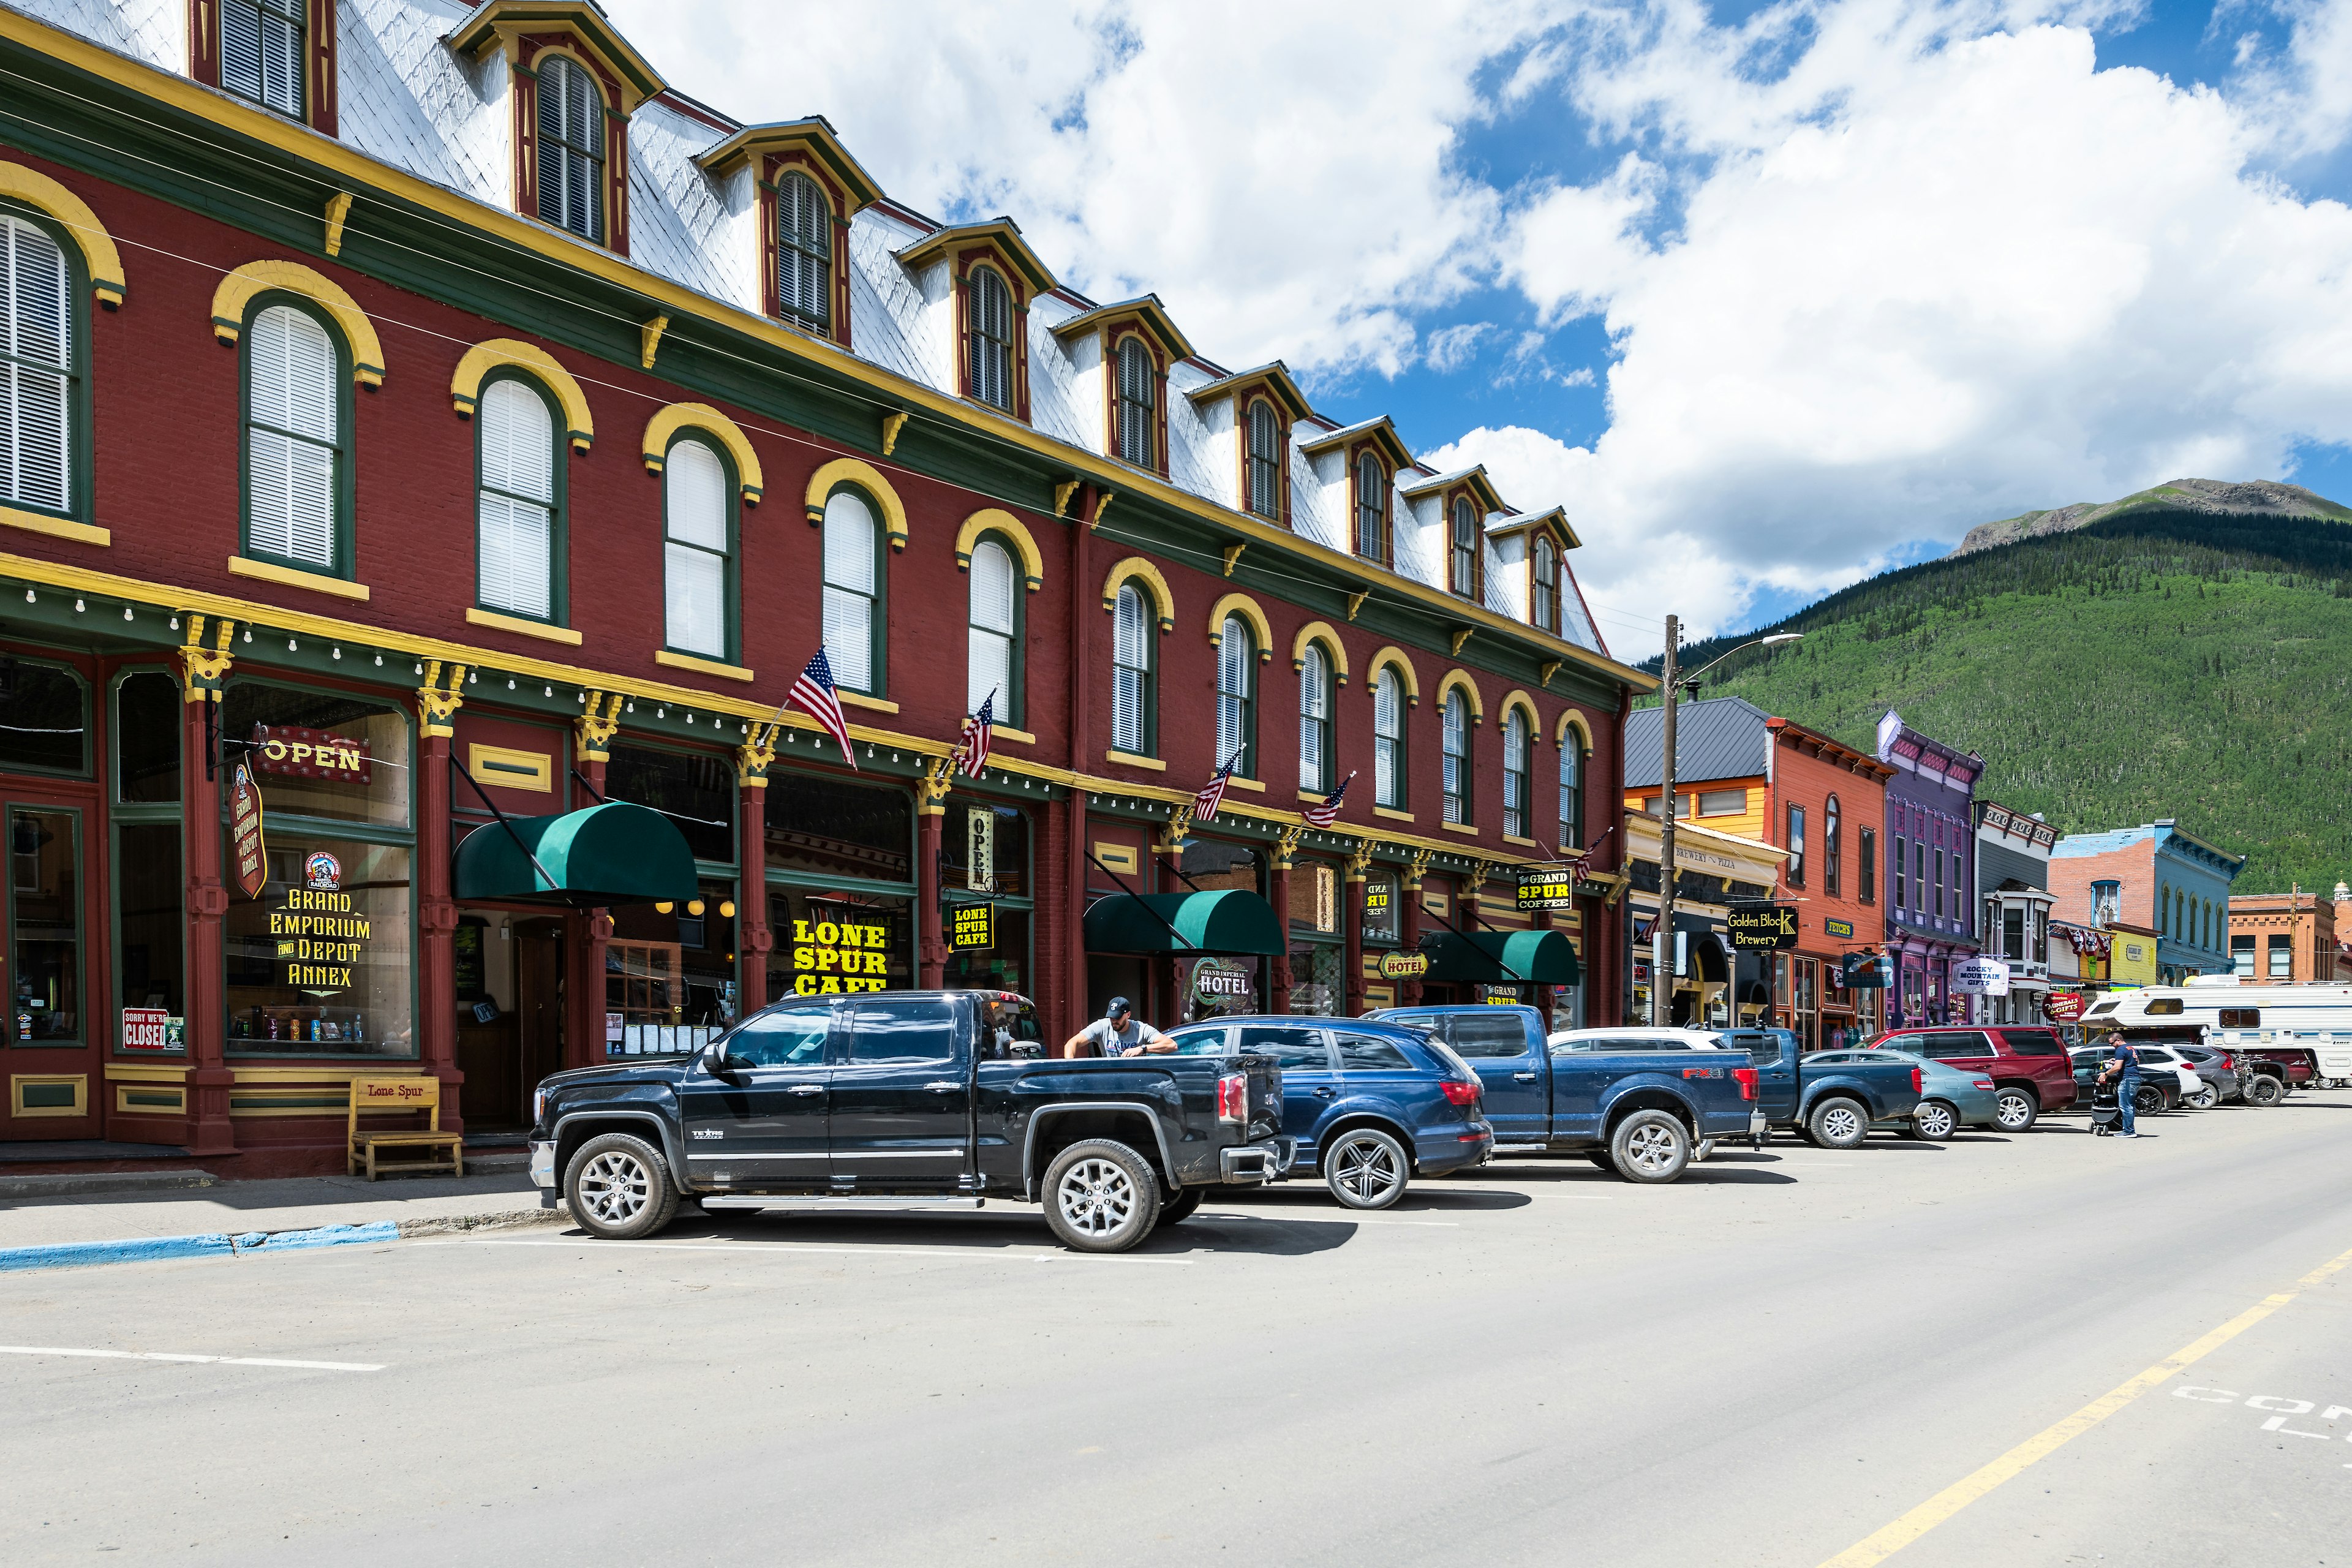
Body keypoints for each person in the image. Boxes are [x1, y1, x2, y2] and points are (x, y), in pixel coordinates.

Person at [1061, 997, 1175, 1058]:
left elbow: (1171, 1045)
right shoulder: (1102, 1026)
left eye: (1118, 1017)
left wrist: (1142, 1049)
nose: (1114, 1021)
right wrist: (1070, 1068)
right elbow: (1072, 1043)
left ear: (1128, 1015)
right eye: (1111, 1017)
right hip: (1110, 1078)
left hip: (1137, 1079)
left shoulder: (1141, 1029)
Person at [2098, 1030, 2141, 1138]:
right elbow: (2137, 1062)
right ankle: (2128, 1130)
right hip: (2135, 1078)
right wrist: (2116, 1061)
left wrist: (2106, 1074)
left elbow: (2118, 1068)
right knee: (2130, 1106)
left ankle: (2129, 1131)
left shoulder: (2120, 1049)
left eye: (2112, 1043)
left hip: (2127, 1079)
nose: (2112, 1046)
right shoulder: (2130, 1048)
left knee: (2126, 1106)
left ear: (2118, 1040)